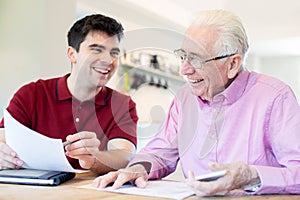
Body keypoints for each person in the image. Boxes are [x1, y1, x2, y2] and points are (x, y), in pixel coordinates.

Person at [93, 10, 300, 195]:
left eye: (196, 59)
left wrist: (251, 176)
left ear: (233, 64)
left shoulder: (275, 97)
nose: (184, 69)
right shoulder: (185, 97)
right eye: (183, 56)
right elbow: (159, 154)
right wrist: (137, 169)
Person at [0, 14, 138, 174]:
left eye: (114, 53)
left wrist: (94, 158)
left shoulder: (122, 105)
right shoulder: (31, 94)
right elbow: (3, 138)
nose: (108, 60)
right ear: (72, 54)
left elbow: (124, 156)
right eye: (96, 50)